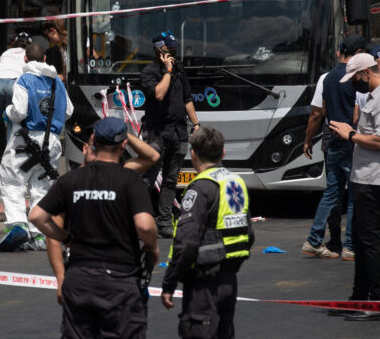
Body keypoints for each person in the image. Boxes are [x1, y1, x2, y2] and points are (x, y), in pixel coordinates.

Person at [28, 117, 159, 339]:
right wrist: (151, 245)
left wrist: (67, 239)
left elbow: (37, 216)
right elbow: (145, 226)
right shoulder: (128, 178)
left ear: (94, 142)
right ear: (122, 145)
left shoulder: (71, 181)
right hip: (119, 277)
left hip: (80, 277)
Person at [329, 53, 380, 321]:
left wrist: (350, 135)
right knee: (362, 240)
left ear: (364, 73)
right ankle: (359, 298)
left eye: (354, 79)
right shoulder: (377, 96)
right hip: (367, 177)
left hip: (376, 179)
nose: (352, 85)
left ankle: (376, 303)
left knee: (370, 241)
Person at [161, 127, 254, 339]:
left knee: (198, 331)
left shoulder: (200, 188)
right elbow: (248, 233)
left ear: (192, 154)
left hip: (203, 282)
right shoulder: (235, 182)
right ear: (223, 153)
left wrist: (169, 284)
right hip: (229, 278)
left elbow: (187, 242)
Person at [0, 42, 73, 252]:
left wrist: (8, 111)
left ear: (25, 59)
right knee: (41, 186)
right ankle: (39, 233)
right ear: (46, 59)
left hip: (27, 140)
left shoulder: (25, 80)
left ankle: (18, 225)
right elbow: (68, 112)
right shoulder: (57, 83)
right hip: (53, 142)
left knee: (12, 180)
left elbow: (20, 111)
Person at [302, 34, 368, 261]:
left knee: (331, 193)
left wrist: (308, 139)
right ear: (359, 53)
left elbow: (317, 113)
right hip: (352, 140)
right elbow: (360, 111)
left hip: (333, 141)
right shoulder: (359, 77)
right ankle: (350, 246)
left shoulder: (327, 78)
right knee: (353, 196)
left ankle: (313, 241)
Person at [141, 30, 201, 238]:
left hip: (178, 132)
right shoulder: (149, 72)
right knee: (148, 179)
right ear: (159, 50)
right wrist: (167, 71)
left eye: (175, 48)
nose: (174, 51)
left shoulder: (179, 70)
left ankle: (165, 222)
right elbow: (159, 94)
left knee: (170, 180)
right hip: (157, 133)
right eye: (169, 48)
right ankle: (138, 220)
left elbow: (187, 99)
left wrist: (196, 124)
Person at [0, 32, 32, 165]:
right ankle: (9, 166)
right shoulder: (28, 54)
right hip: (15, 83)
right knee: (13, 130)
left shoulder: (6, 53)